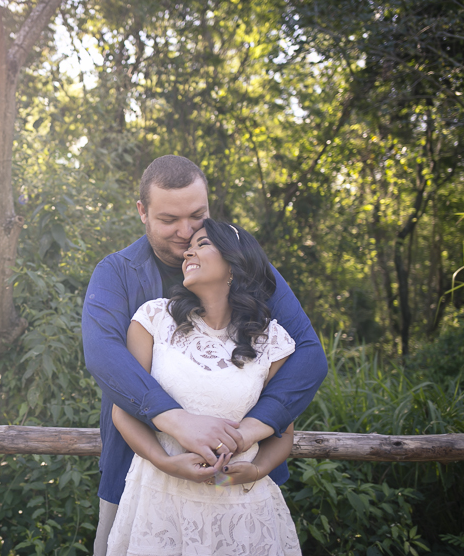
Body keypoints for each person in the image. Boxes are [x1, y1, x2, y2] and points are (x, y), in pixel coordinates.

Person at [82, 155, 326, 555]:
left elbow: (309, 356)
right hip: (139, 478)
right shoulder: (118, 274)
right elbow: (104, 355)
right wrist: (175, 420)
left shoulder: (249, 270)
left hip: (238, 485)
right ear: (142, 212)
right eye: (168, 220)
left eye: (197, 216)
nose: (185, 232)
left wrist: (249, 434)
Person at [106, 219, 301, 554]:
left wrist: (256, 469)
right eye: (189, 246)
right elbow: (123, 412)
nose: (189, 251)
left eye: (203, 244)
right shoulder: (153, 320)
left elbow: (282, 431)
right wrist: (166, 463)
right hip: (161, 500)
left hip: (238, 506)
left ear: (233, 265)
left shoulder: (271, 342)